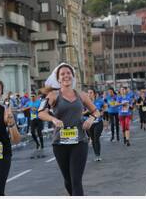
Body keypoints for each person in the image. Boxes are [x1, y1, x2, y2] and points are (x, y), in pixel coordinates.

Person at [38, 63, 100, 196]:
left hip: (79, 142)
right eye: (62, 74)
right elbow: (41, 113)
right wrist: (53, 119)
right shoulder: (53, 95)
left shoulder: (81, 95)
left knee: (76, 180)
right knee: (68, 180)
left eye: (68, 73)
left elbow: (96, 111)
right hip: (60, 143)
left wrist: (90, 119)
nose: (66, 75)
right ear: (58, 79)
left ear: (72, 76)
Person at [86, 89, 104, 161]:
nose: (89, 94)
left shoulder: (99, 101)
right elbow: (82, 112)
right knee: (93, 139)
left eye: (91, 93)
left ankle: (98, 155)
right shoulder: (85, 103)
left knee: (96, 138)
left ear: (94, 94)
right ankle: (96, 154)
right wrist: (86, 112)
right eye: (88, 93)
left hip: (98, 123)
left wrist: (102, 112)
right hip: (90, 124)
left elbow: (105, 107)